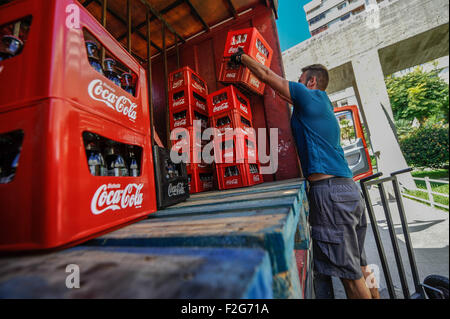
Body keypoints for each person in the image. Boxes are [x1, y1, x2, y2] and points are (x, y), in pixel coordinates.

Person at [230, 48, 380, 299]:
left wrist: (241, 57)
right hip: (349, 191)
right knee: (362, 264)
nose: (295, 86)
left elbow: (267, 75)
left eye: (299, 81)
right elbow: (281, 93)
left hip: (330, 194)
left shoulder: (307, 95)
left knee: (350, 277)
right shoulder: (323, 105)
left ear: (310, 82)